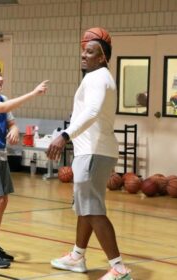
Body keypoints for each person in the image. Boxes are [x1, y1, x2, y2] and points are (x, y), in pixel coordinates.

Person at [46, 30, 133, 280]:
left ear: (103, 57)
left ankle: (119, 268)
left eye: (90, 51)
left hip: (95, 152)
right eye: (84, 50)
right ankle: (77, 256)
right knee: (84, 208)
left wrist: (65, 135)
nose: (84, 55)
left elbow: (93, 110)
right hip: (92, 152)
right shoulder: (98, 77)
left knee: (93, 210)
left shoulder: (98, 78)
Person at [0, 62, 48, 268]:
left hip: (0, 155)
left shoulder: (2, 98)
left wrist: (14, 128)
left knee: (3, 202)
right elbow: (3, 109)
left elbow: (9, 119)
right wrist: (32, 93)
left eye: (1, 74)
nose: (0, 78)